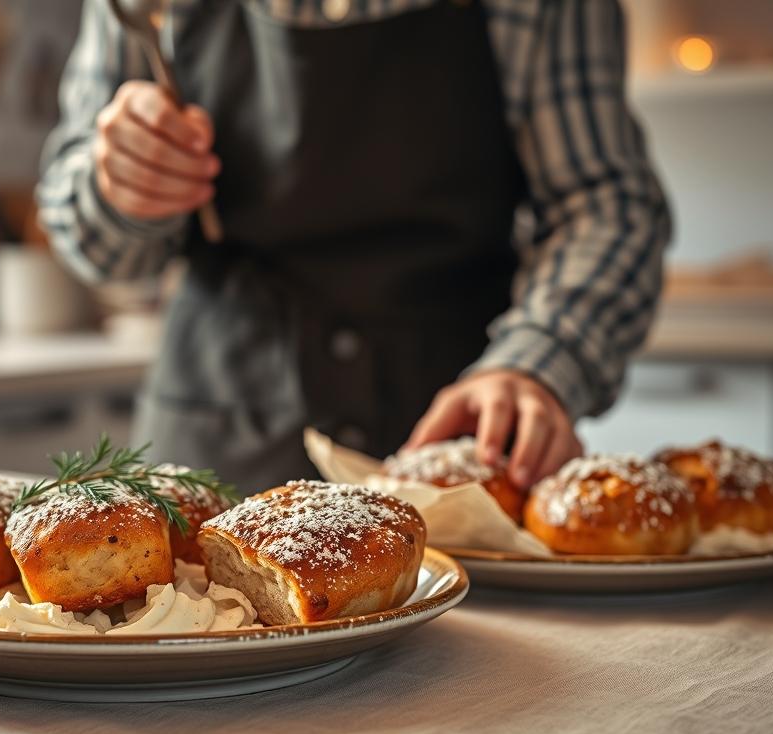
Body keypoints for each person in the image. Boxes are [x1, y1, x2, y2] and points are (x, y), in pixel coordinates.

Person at [37, 0, 670, 495]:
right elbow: (102, 250)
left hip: (455, 451)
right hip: (211, 449)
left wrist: (537, 360)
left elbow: (605, 207)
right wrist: (117, 185)